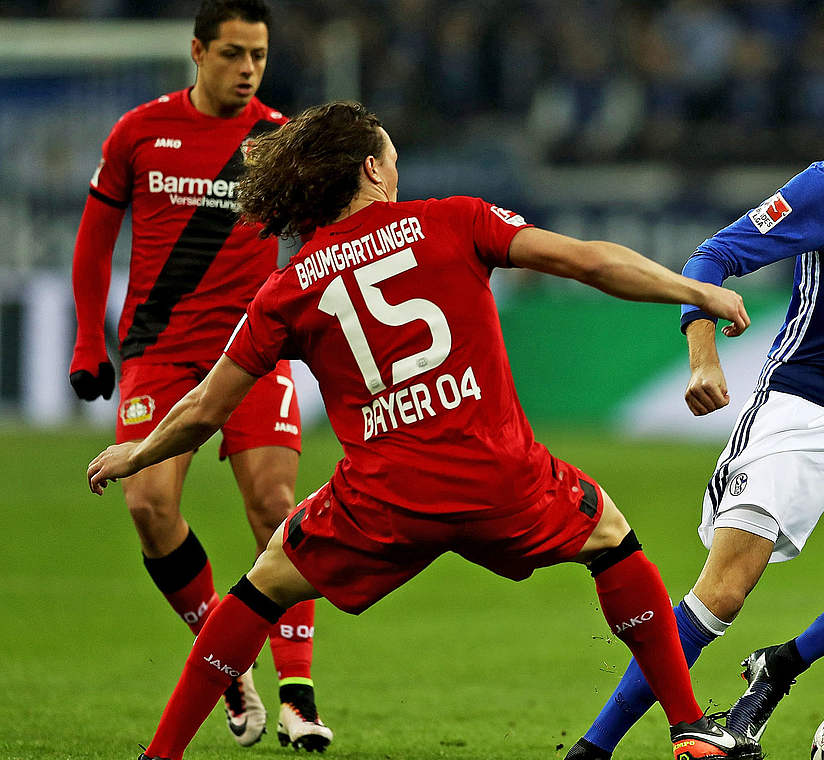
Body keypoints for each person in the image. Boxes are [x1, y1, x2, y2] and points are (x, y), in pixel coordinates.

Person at [86, 100, 762, 760]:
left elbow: (206, 409)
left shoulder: (287, 290)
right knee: (611, 537)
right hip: (503, 482)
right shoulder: (455, 221)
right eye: (393, 157)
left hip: (383, 500)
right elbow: (587, 260)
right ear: (372, 172)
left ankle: (161, 753)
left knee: (261, 586)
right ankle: (689, 730)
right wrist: (694, 289)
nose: (398, 169)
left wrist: (139, 451)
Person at [566, 40, 824, 758]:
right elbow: (712, 258)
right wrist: (702, 356)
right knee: (721, 595)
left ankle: (781, 668)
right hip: (798, 407)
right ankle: (594, 748)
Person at [66, 0, 330, 749]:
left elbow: (320, 245)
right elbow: (95, 241)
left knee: (277, 503)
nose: (247, 70)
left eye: (259, 56)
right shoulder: (138, 132)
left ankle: (299, 692)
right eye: (233, 54)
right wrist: (90, 341)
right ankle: (227, 661)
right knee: (148, 506)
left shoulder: (279, 142)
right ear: (196, 51)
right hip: (159, 352)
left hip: (251, 352)